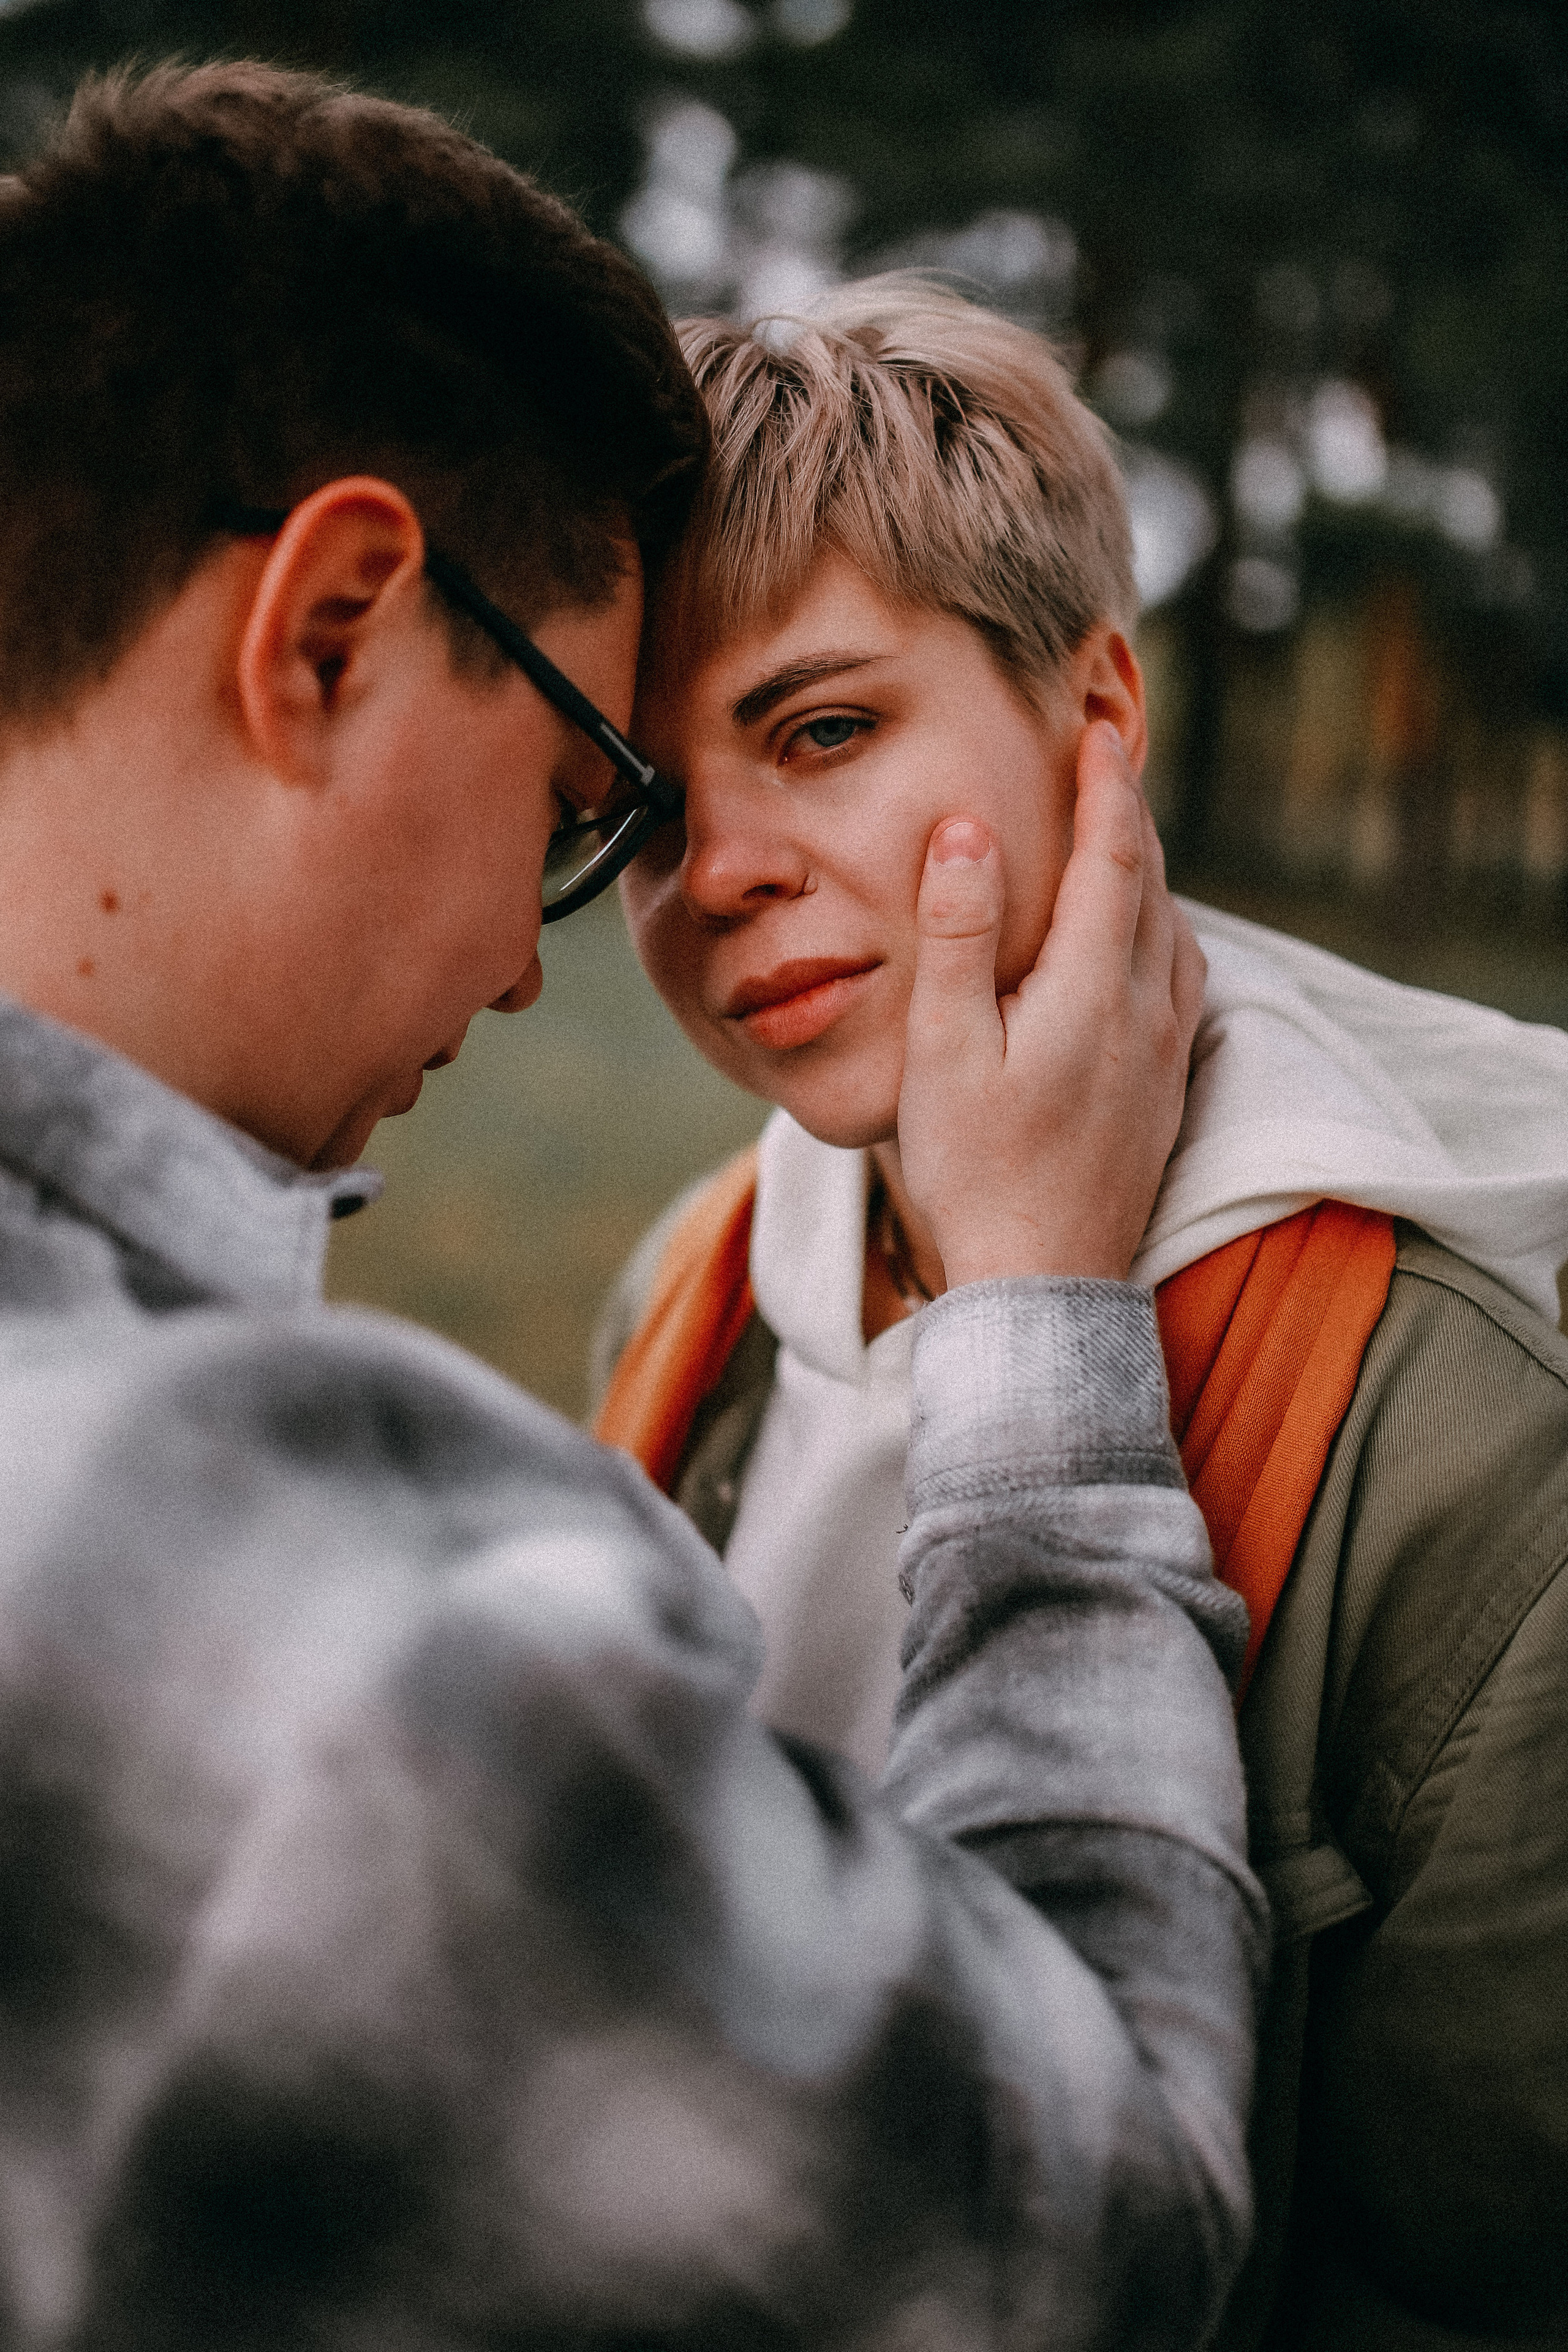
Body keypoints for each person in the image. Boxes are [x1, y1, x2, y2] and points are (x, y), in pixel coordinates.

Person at [0, 62, 1269, 2351]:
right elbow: (1092, 2233)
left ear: (1097, 716)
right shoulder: (277, 1606)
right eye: (597, 799)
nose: (536, 948)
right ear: (333, 625)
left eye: (824, 736)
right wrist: (1048, 1332)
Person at [595, 280, 1568, 2352]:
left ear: (1096, 716)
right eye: (649, 808)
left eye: (825, 729)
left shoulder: (1476, 1445)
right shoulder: (693, 1293)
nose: (727, 871)